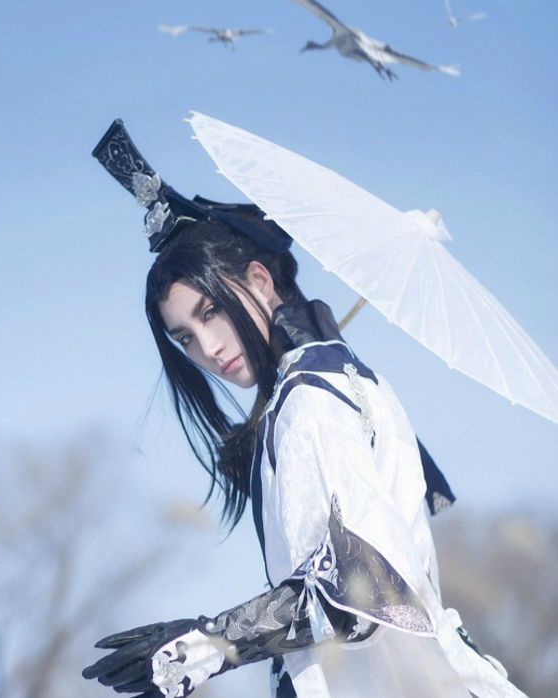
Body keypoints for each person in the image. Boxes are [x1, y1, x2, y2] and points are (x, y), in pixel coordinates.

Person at [83, 120, 528, 698]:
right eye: (185, 337)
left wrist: (202, 647)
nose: (208, 348)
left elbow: (365, 590)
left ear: (260, 281)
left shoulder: (312, 399)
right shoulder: (323, 383)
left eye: (212, 311)